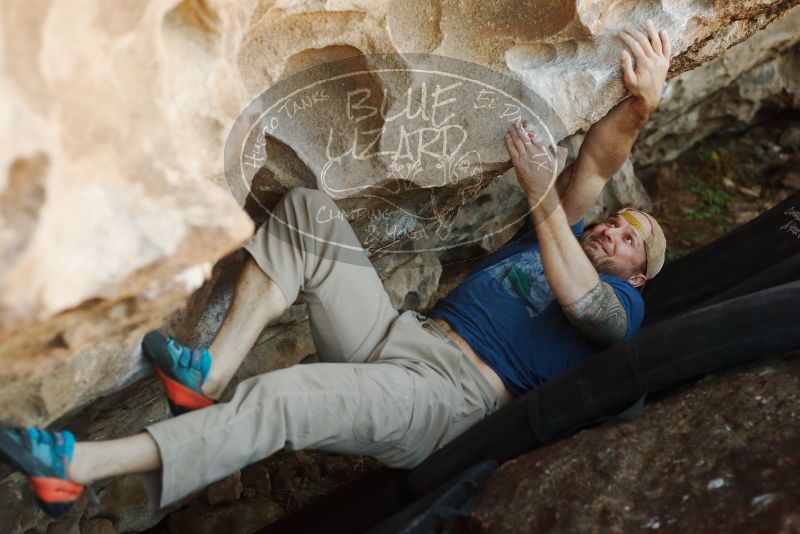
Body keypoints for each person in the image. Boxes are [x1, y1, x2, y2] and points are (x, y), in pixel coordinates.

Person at [0, 21, 670, 518]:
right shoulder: (554, 238)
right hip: (400, 335)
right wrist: (641, 104)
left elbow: (588, 308)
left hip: (450, 401)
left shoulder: (622, 306)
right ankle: (211, 371)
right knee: (308, 212)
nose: (614, 226)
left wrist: (537, 193)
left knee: (286, 399)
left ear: (638, 276)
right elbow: (599, 165)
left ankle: (76, 468)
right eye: (615, 219)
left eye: (631, 237)